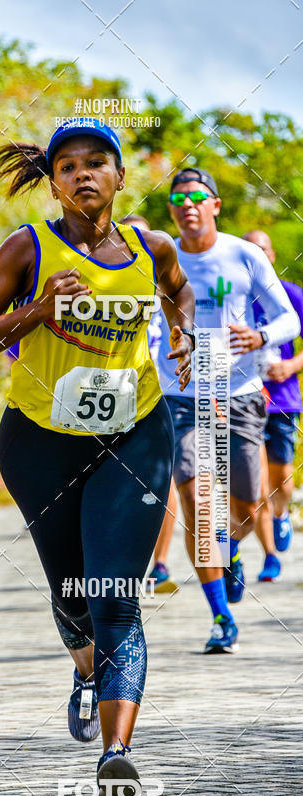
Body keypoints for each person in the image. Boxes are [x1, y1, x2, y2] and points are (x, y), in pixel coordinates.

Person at [0, 119, 194, 796]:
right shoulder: (26, 246)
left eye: (98, 163)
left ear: (121, 177)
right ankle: (86, 670)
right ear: (53, 182)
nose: (84, 174)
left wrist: (179, 329)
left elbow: (178, 290)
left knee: (117, 596)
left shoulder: (152, 246)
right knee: (73, 595)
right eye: (68, 166)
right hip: (39, 441)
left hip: (135, 432)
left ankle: (116, 755)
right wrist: (36, 310)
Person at [156, 169, 299, 653]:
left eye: (198, 196)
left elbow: (288, 318)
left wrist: (261, 337)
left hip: (239, 393)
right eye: (179, 198)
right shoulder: (159, 256)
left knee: (243, 501)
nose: (188, 204)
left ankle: (232, 550)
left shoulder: (245, 254)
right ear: (172, 209)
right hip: (180, 396)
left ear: (215, 204)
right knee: (199, 501)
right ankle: (220, 616)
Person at [120, 216, 179, 591]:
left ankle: (159, 562)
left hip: (168, 393)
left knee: (165, 481)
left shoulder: (169, 288)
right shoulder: (112, 287)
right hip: (121, 394)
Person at [242, 230, 303, 581]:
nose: (257, 256)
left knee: (282, 476)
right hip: (244, 399)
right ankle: (269, 556)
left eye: (262, 250)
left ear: (273, 255)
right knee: (258, 481)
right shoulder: (233, 295)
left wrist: (291, 366)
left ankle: (281, 515)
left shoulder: (291, 295)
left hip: (283, 399)